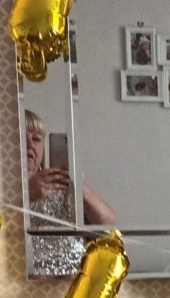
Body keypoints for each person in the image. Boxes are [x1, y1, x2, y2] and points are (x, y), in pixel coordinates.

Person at [25, 110, 117, 275]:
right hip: (30, 285)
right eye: (21, 137)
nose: (30, 146)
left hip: (76, 279)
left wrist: (79, 185)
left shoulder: (63, 185)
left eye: (36, 139)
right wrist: (25, 194)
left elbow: (108, 228)